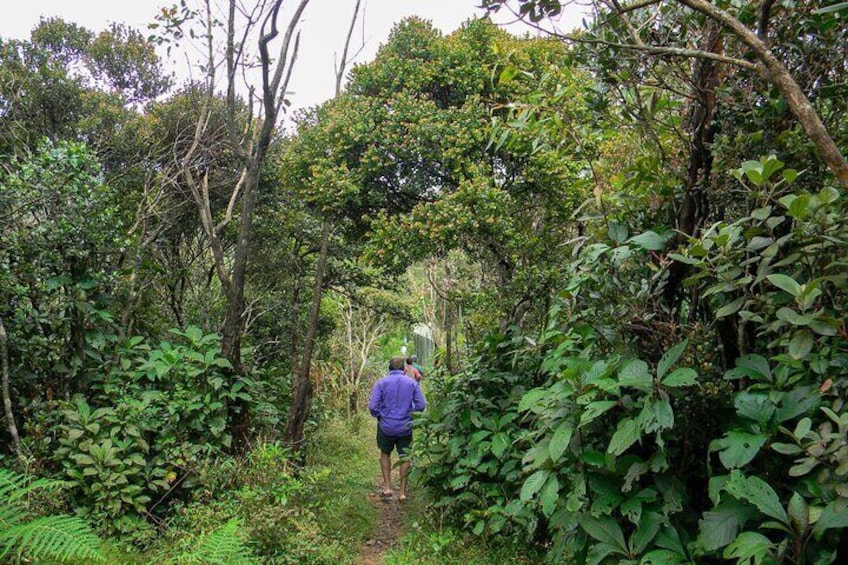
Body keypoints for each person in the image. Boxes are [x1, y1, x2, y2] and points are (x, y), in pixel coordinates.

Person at [368, 356, 427, 501]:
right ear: (404, 368)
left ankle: (387, 488)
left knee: (385, 453)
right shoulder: (412, 383)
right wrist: (410, 415)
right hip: (405, 427)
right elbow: (421, 405)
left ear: (389, 367)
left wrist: (381, 416)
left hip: (385, 427)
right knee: (405, 456)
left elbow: (372, 407)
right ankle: (402, 493)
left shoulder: (381, 383)